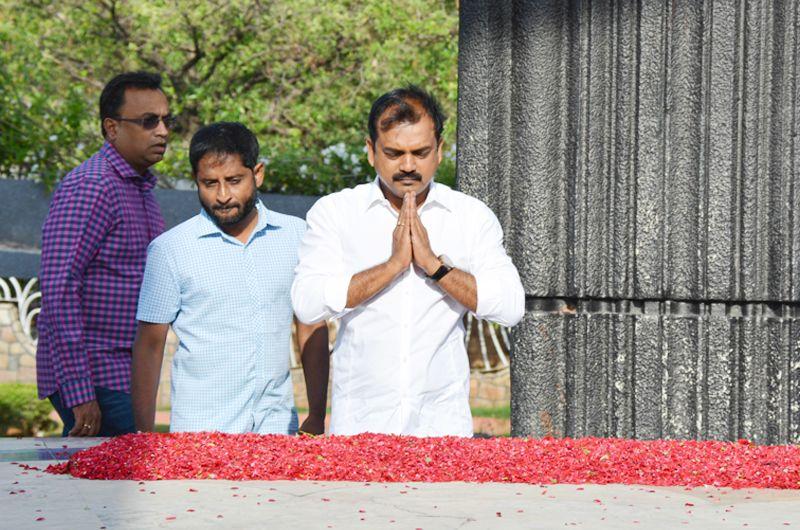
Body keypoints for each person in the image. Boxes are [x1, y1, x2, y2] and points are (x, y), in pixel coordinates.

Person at [291, 85, 524, 437]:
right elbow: (307, 304)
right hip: (358, 427)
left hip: (441, 428)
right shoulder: (336, 213)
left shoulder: (470, 217)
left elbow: (511, 307)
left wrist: (435, 267)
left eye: (420, 152)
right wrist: (391, 267)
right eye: (394, 153)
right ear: (371, 152)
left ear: (440, 151)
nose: (409, 165)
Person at [132, 122, 329, 435]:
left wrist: (317, 414)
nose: (222, 195)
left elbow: (310, 326)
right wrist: (141, 437)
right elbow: (149, 345)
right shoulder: (170, 250)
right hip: (199, 434)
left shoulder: (297, 237)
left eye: (234, 180)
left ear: (258, 174)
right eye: (209, 183)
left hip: (276, 430)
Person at [36, 71, 172, 437]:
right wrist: (80, 393)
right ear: (112, 128)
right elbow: (59, 288)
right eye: (148, 121)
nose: (162, 131)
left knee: (108, 489)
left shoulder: (139, 188)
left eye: (165, 120)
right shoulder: (91, 186)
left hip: (127, 372)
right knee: (119, 485)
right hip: (97, 374)